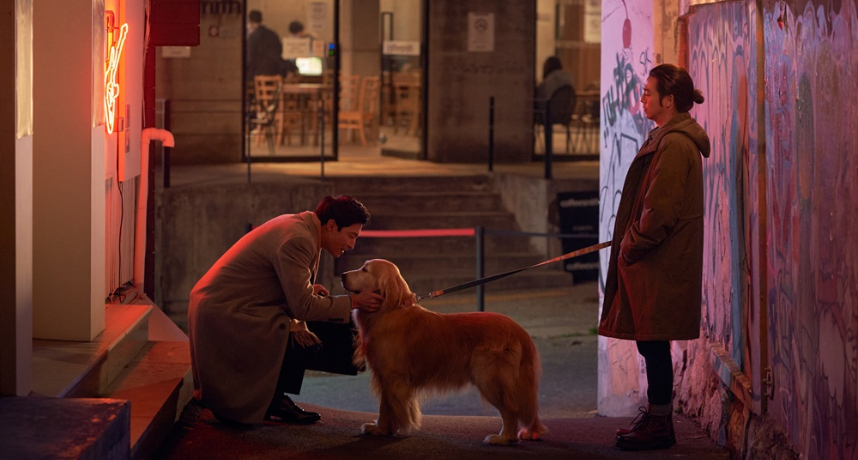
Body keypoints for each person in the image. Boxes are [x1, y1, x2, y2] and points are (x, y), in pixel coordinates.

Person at [188, 196, 384, 425]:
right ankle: (270, 399)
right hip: (226, 313)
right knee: (307, 337)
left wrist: (309, 289)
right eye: (351, 236)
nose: (352, 245)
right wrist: (355, 302)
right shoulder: (299, 239)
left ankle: (274, 397)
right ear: (331, 225)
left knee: (325, 317)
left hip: (233, 305)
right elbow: (303, 307)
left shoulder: (302, 227)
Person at [598, 63, 710, 450]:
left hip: (660, 262)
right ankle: (657, 417)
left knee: (654, 342)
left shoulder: (676, 144)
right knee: (651, 341)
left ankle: (660, 424)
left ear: (669, 100)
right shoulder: (667, 138)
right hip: (657, 261)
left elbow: (659, 212)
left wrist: (630, 245)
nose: (641, 98)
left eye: (648, 92)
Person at [247, 10, 291, 79]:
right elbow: (280, 52)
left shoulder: (252, 37)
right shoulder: (273, 34)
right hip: (276, 74)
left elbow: (250, 58)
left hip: (258, 75)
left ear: (250, 22)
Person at [534, 56, 575, 124]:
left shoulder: (549, 80)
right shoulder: (569, 78)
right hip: (565, 114)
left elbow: (540, 97)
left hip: (548, 114)